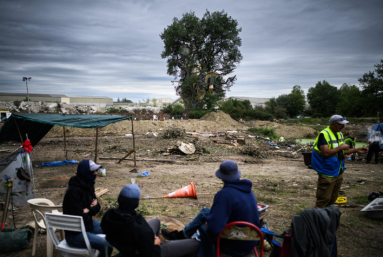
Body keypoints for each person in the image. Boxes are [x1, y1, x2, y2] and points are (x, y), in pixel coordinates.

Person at [161, 160, 261, 256]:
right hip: (250, 242)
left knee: (203, 228)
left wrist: (209, 225)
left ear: (221, 177)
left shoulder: (224, 195)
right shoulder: (248, 191)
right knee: (205, 212)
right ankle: (182, 235)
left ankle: (207, 252)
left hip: (234, 246)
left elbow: (214, 229)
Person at [101, 184, 200, 257]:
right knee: (195, 244)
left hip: (129, 245)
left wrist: (148, 238)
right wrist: (156, 245)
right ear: (136, 203)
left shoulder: (108, 215)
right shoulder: (138, 225)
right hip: (144, 252)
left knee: (156, 221)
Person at [311, 115, 368, 208]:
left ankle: (327, 217)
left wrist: (356, 150)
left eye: (344, 124)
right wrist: (341, 147)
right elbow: (325, 153)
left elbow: (342, 151)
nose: (343, 126)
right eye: (340, 124)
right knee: (323, 199)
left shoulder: (339, 134)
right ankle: (318, 220)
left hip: (338, 170)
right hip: (327, 171)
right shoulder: (324, 134)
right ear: (332, 124)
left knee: (333, 198)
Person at [63, 159, 113, 257]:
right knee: (107, 246)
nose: (96, 173)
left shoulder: (89, 186)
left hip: (88, 226)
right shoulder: (73, 192)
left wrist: (88, 210)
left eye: (96, 170)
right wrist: (89, 210)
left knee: (113, 228)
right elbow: (79, 218)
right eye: (93, 171)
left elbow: (97, 207)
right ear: (85, 173)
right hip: (75, 234)